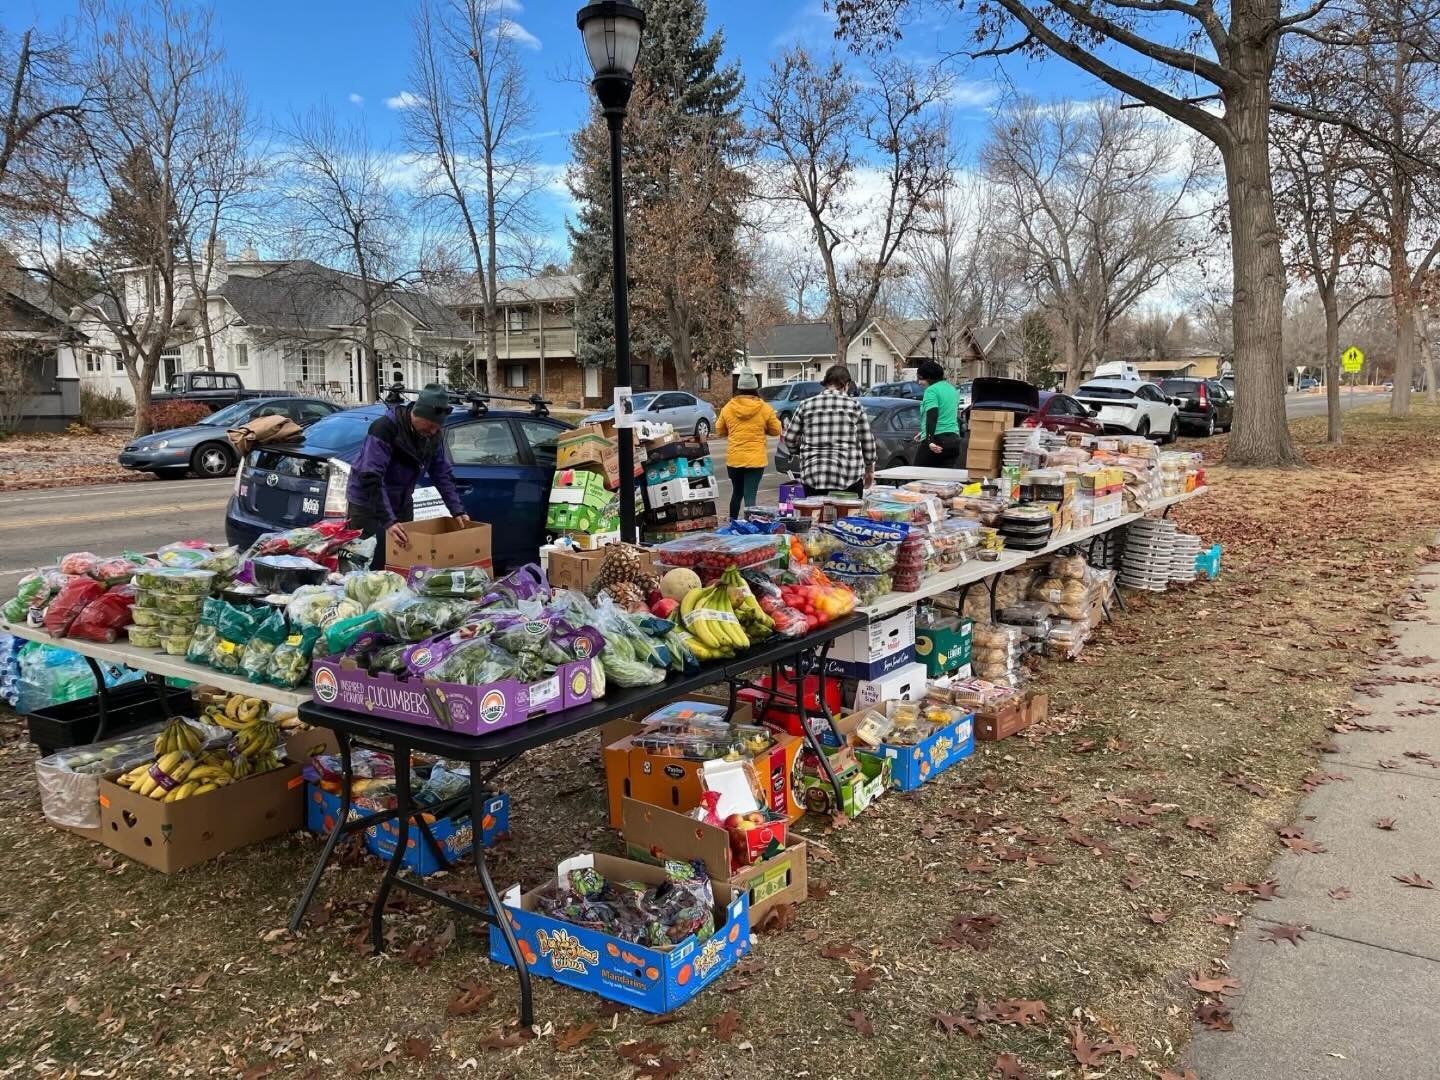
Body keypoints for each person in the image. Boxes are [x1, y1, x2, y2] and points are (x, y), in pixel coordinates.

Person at [346, 383, 470, 569]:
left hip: (402, 501)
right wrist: (389, 521)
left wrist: (457, 510)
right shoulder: (385, 428)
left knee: (403, 561)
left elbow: (442, 474)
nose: (433, 431)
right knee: (363, 563)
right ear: (417, 414)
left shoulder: (432, 435)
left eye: (437, 428)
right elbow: (371, 477)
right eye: (430, 426)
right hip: (368, 504)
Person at [783, 364, 876, 497]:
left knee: (815, 517)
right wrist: (869, 469)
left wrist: (799, 451)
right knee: (847, 517)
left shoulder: (805, 405)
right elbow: (867, 441)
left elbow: (789, 438)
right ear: (846, 385)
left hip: (813, 476)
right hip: (848, 477)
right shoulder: (854, 406)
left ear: (826, 384)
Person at [715, 370, 781, 520]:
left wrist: (731, 430)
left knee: (737, 493)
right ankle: (751, 529)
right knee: (750, 496)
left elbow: (719, 430)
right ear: (756, 388)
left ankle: (733, 523)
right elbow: (776, 430)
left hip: (734, 459)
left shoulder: (728, 408)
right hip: (755, 461)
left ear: (738, 388)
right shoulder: (765, 408)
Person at [913, 359, 961, 468]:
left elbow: (933, 415)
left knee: (916, 477)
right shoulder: (951, 389)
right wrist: (923, 432)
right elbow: (947, 414)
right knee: (943, 480)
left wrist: (929, 440)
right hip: (953, 441)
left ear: (929, 377)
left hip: (936, 441)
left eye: (921, 378)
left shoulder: (931, 391)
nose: (919, 382)